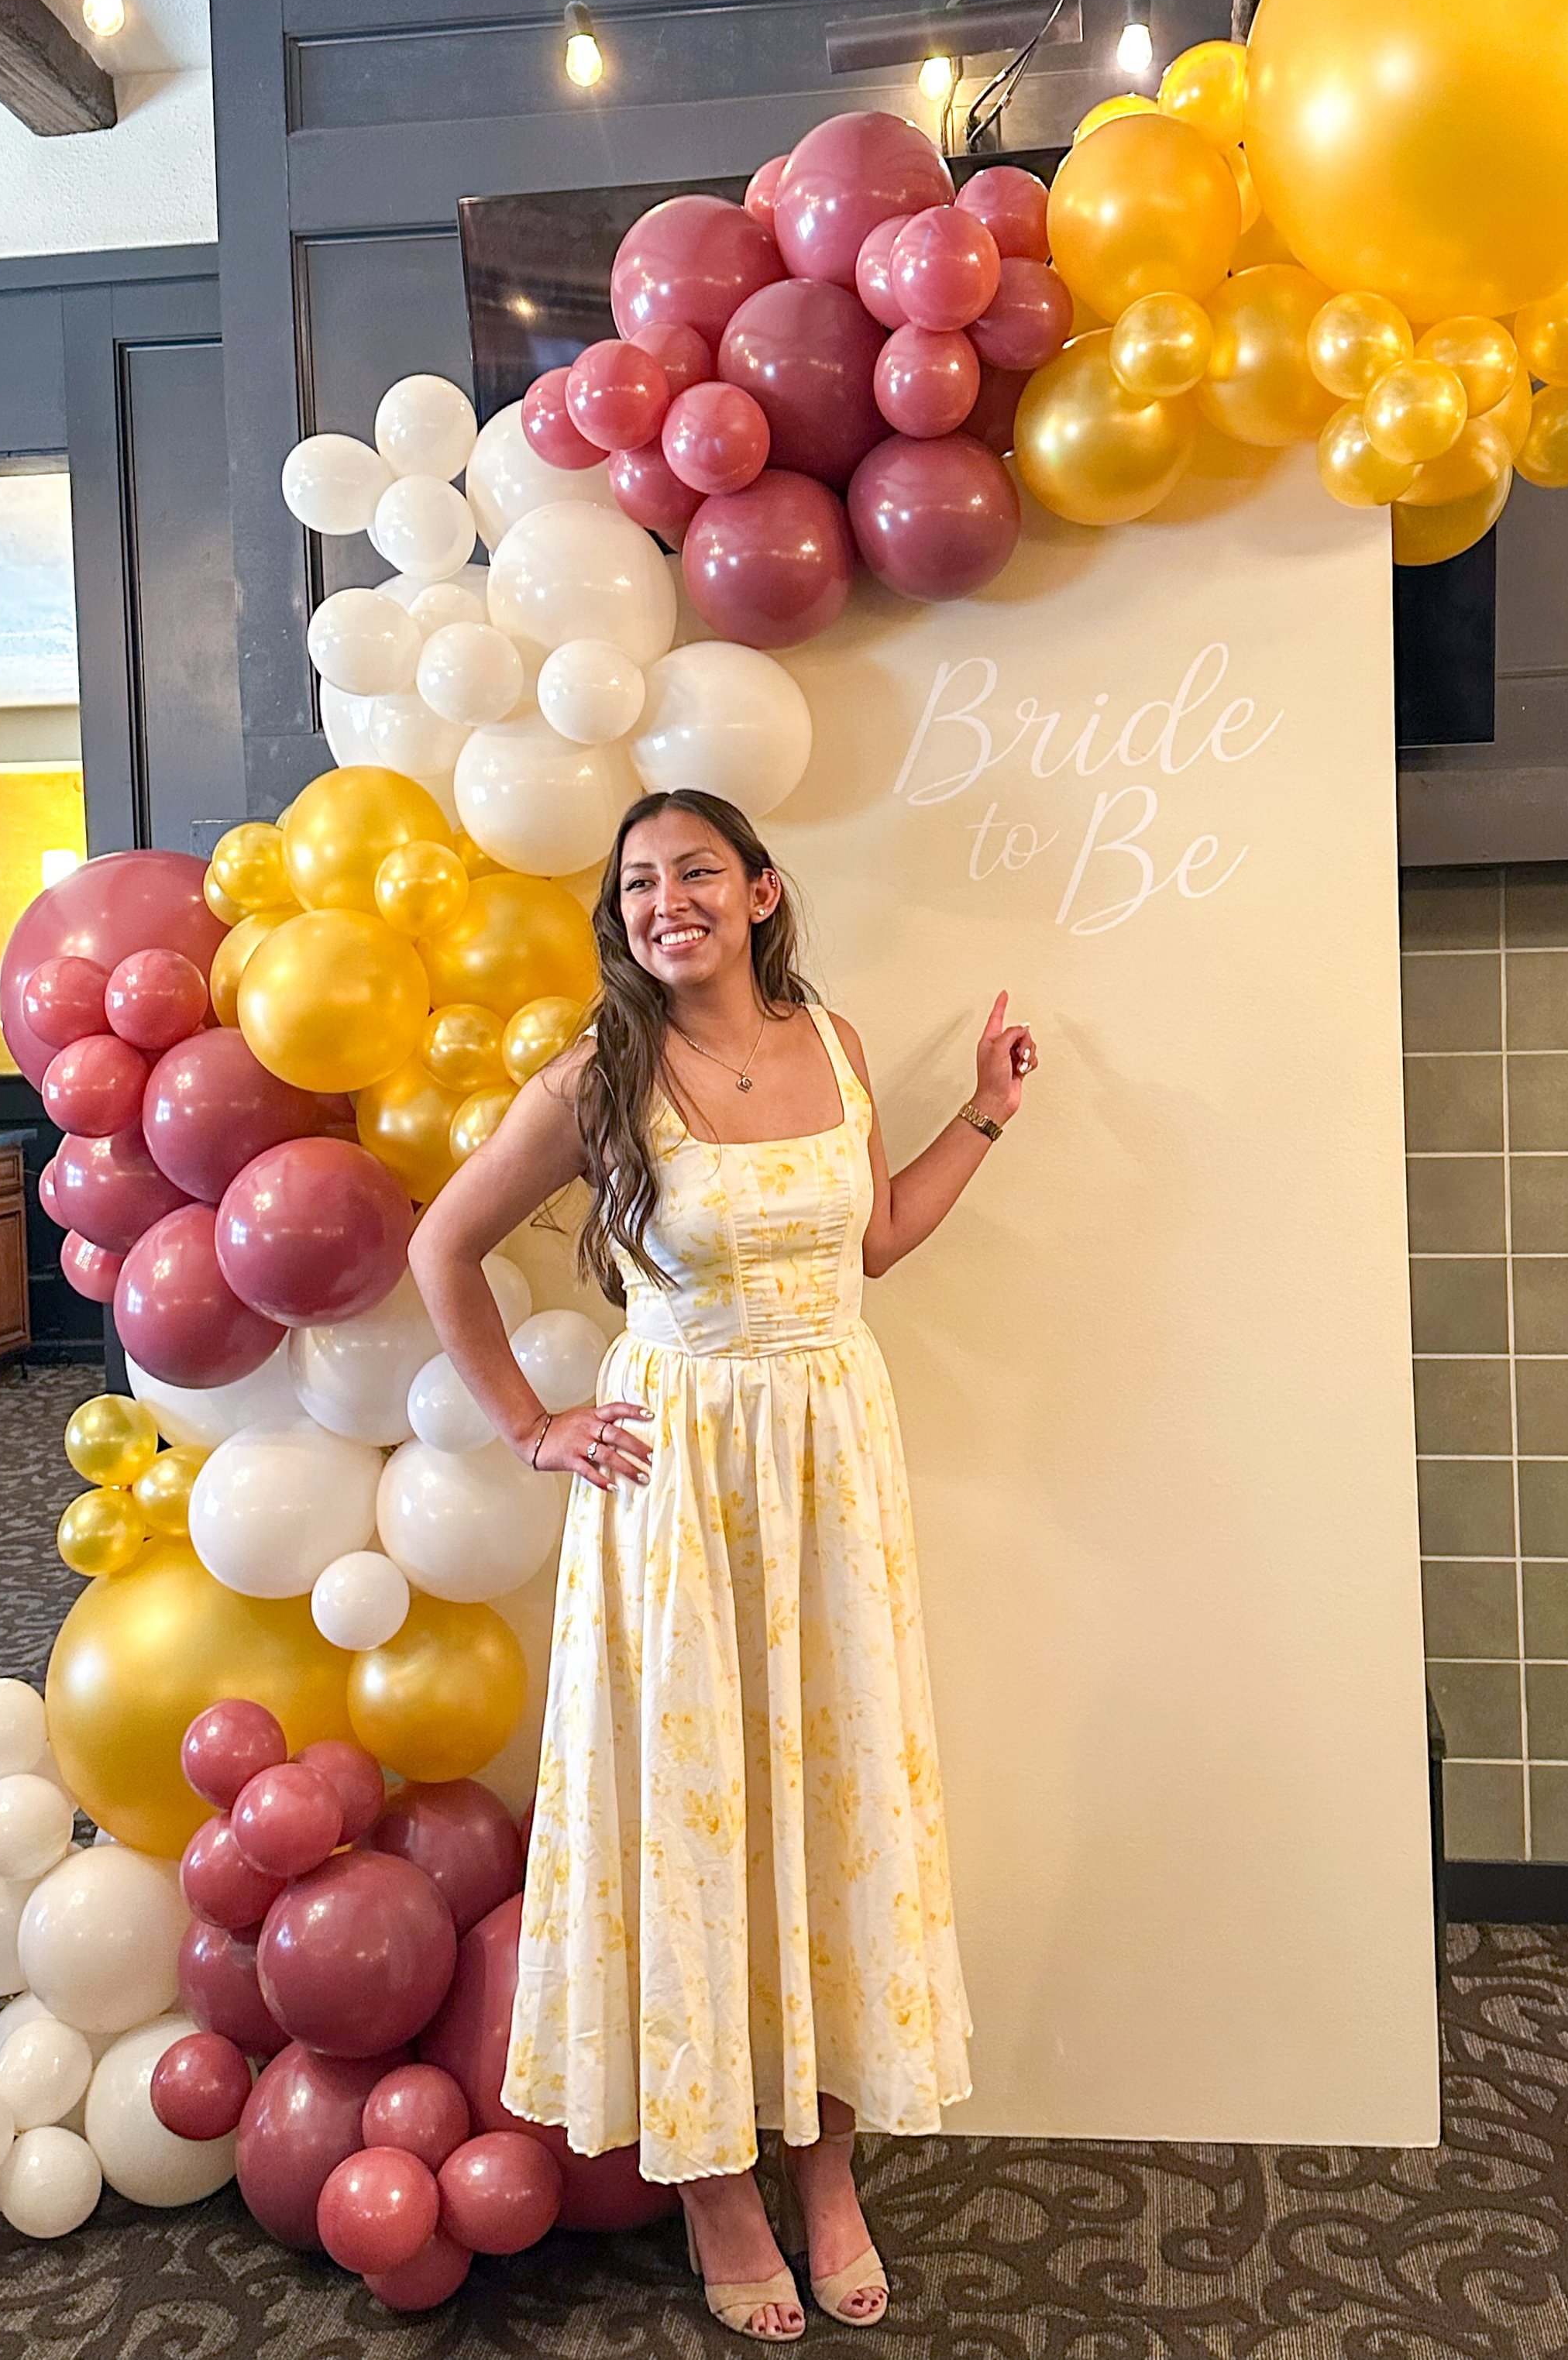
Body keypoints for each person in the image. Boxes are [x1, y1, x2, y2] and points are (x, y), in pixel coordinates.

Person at [410, 787, 1036, 2338]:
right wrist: (530, 1426)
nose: (663, 897)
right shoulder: (598, 1075)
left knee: (830, 1811)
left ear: (759, 891)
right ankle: (714, 2187)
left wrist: (984, 1112)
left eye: (695, 869)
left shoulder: (828, 1045)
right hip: (678, 1480)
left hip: (833, 1473)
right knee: (692, 1828)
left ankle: (829, 2172)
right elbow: (442, 1247)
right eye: (636, 881)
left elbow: (873, 1240)